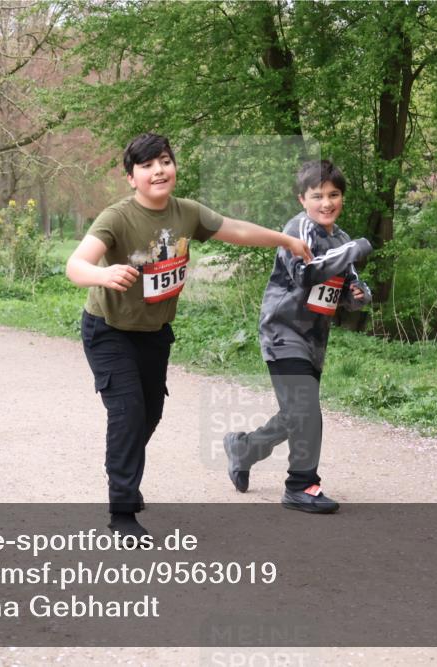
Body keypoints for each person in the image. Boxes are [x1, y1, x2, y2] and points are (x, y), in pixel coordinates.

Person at [65, 133, 312, 539]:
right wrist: (103, 273)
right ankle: (122, 511)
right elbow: (77, 264)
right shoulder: (117, 218)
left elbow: (236, 230)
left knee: (149, 414)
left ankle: (121, 468)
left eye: (164, 161)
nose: (158, 170)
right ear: (131, 177)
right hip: (109, 330)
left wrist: (284, 239)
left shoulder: (187, 213)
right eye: (146, 166)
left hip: (154, 332)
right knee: (127, 415)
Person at [223, 160, 372, 514]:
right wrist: (354, 251)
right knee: (306, 410)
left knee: (296, 412)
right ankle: (300, 485)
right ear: (302, 199)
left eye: (334, 195)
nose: (326, 203)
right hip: (282, 331)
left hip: (314, 338)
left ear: (342, 199)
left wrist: (358, 294)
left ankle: (244, 449)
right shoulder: (298, 228)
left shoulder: (340, 239)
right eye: (317, 195)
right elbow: (306, 274)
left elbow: (346, 287)